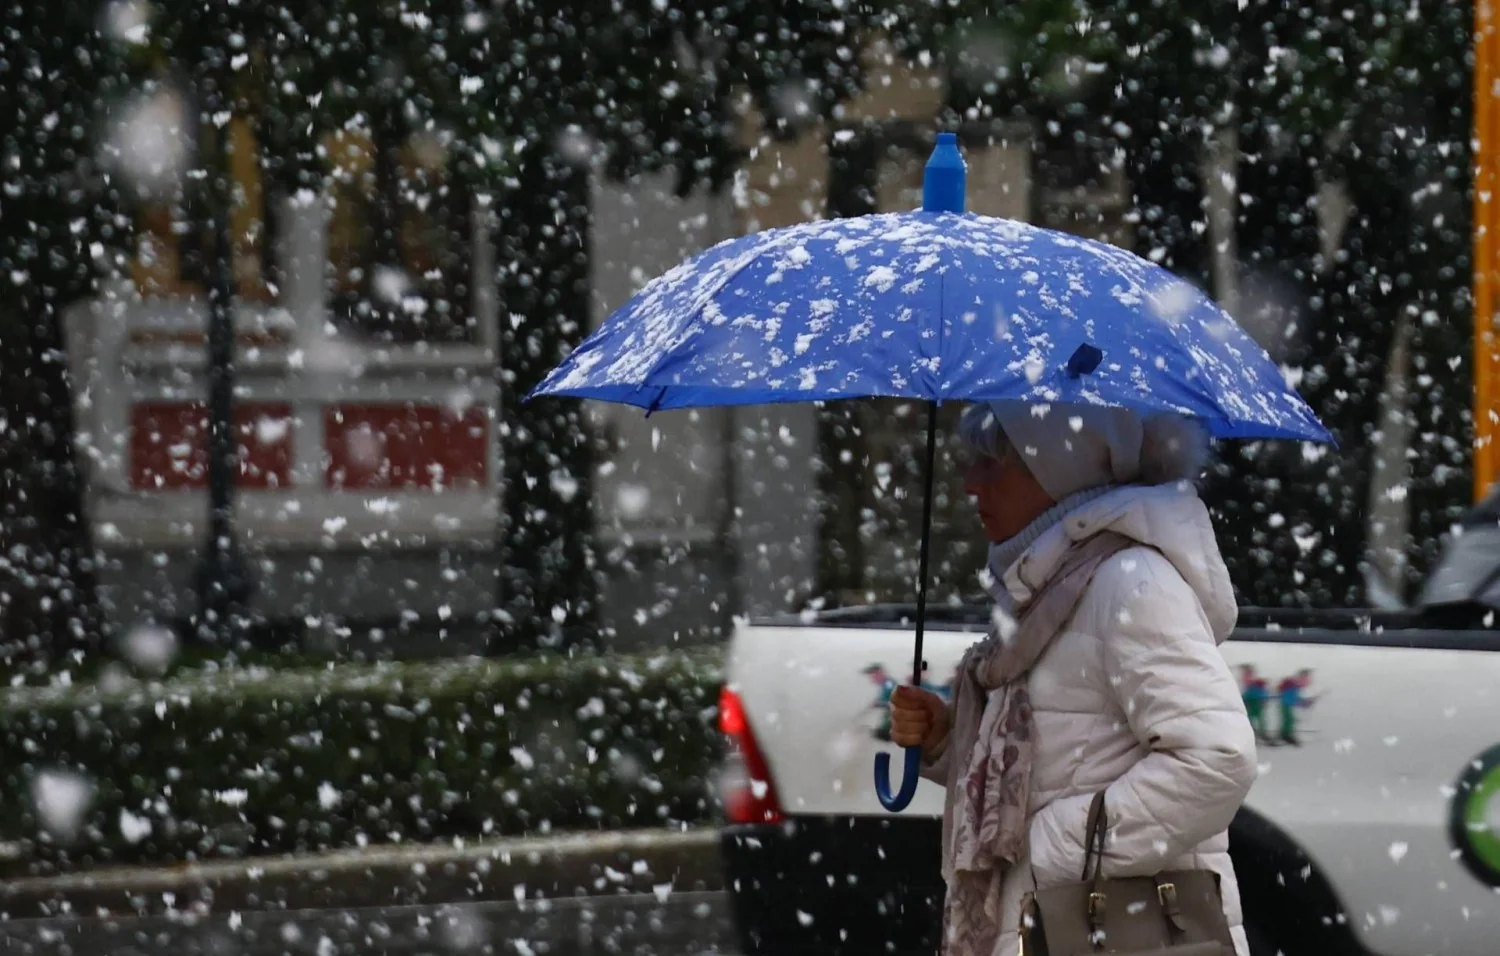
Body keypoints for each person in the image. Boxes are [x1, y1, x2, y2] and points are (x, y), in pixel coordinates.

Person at [889, 400, 1257, 956]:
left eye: (993, 461)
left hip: (1110, 931)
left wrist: (1054, 845)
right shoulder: (1043, 591)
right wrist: (946, 742)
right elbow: (1059, 761)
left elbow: (1217, 759)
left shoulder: (1131, 582)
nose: (970, 483)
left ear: (1060, 468)